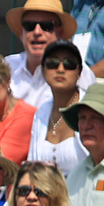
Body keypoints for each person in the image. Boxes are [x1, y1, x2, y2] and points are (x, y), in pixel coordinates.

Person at [5, 0, 97, 105]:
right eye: (29, 26)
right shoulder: (6, 67)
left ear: (60, 33)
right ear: (21, 33)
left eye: (46, 26)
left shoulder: (77, 71)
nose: (37, 32)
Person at [28, 39, 89, 175]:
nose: (60, 70)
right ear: (43, 71)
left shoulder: (90, 108)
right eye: (52, 63)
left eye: (69, 64)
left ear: (79, 72)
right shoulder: (41, 113)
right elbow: (32, 167)